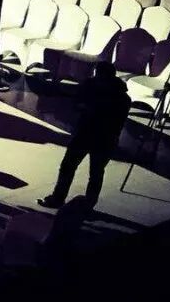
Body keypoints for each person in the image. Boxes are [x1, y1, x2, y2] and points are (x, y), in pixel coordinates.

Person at [39, 62, 131, 210]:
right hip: (97, 136)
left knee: (81, 170)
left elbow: (110, 120)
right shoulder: (119, 96)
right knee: (89, 172)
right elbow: (77, 102)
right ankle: (82, 204)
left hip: (95, 136)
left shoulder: (113, 95)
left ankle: (63, 199)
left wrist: (90, 109)